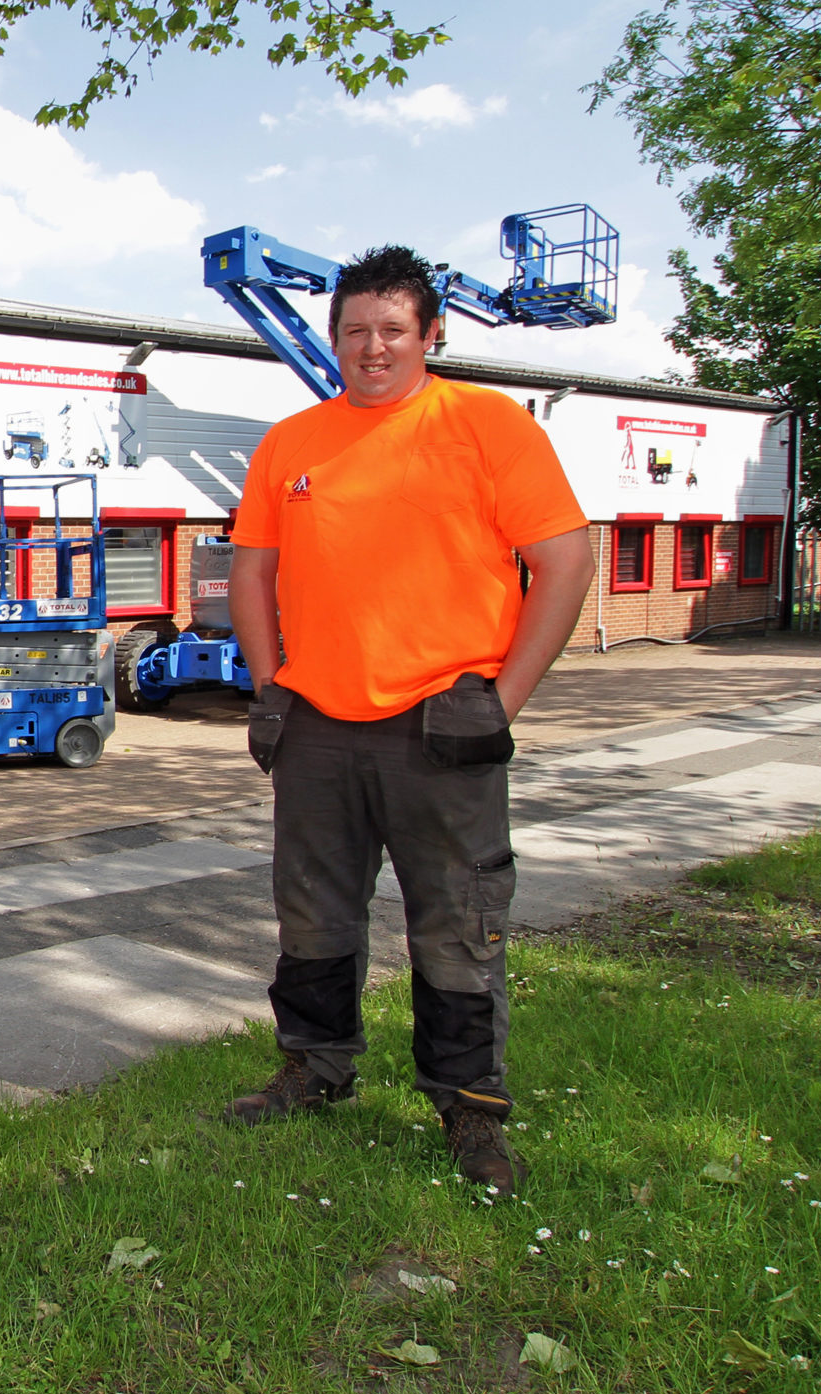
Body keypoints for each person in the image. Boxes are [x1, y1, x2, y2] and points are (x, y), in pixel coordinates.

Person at [225, 245, 593, 1195]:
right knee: (310, 914)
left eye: (394, 329)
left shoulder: (486, 425)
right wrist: (273, 687)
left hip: (443, 725)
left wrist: (500, 702)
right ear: (335, 339)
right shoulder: (291, 443)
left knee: (458, 922)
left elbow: (565, 561)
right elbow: (252, 573)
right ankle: (314, 1066)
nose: (373, 347)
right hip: (316, 726)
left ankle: (470, 1108)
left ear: (431, 334)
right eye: (354, 331)